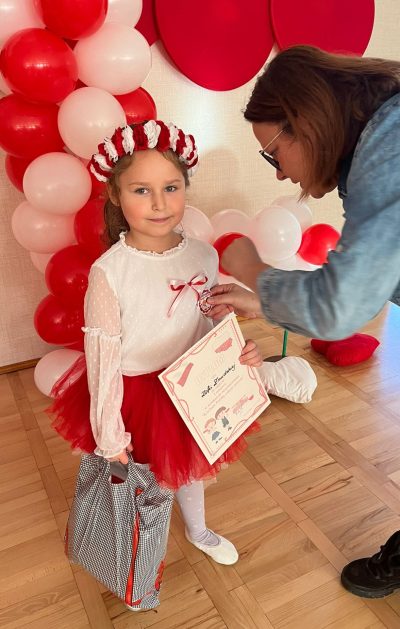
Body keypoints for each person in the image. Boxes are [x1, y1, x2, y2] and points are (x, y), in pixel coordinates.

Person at [206, 45, 400, 598]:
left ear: (305, 121)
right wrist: (263, 299)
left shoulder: (390, 145)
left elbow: (341, 306)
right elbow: (369, 281)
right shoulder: (376, 142)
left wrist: (252, 267)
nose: (280, 173)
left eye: (273, 154)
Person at [48, 119, 265, 573]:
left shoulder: (203, 255)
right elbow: (103, 361)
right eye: (141, 190)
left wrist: (239, 352)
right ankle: (134, 558)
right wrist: (110, 436)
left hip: (190, 386)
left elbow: (212, 321)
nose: (160, 203)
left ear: (186, 186)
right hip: (135, 396)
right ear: (115, 195)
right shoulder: (110, 273)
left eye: (171, 187)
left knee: (188, 468)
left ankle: (198, 530)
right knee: (143, 486)